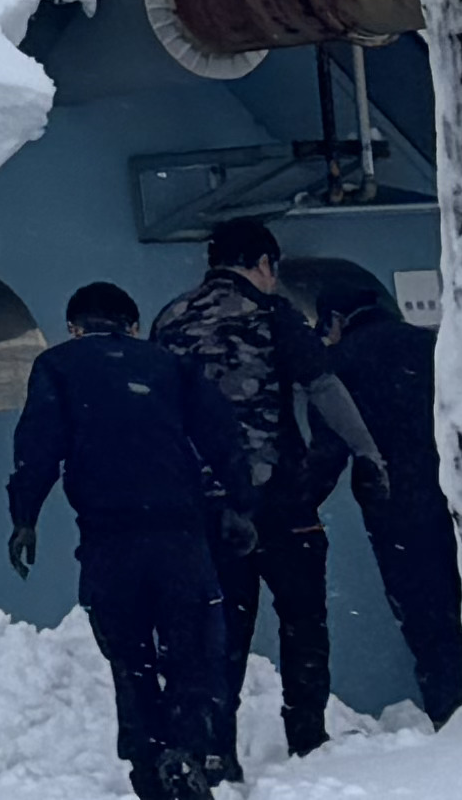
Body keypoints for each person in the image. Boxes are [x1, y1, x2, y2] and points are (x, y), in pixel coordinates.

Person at [9, 281, 259, 800]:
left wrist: (24, 517)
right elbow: (221, 434)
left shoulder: (57, 366)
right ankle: (188, 753)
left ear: (73, 328)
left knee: (131, 659)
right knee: (193, 652)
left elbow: (38, 447)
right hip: (180, 535)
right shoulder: (169, 366)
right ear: (134, 325)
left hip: (108, 540)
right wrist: (240, 503)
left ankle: (147, 765)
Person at [156, 218, 366, 760]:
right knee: (303, 621)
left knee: (221, 630)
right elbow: (322, 386)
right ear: (265, 265)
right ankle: (308, 739)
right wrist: (368, 451)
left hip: (203, 507)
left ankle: (216, 749)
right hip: (280, 499)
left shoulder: (171, 319)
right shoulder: (272, 313)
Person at [285, 254, 462, 725]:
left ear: (336, 320)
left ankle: (452, 713)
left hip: (397, 509)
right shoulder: (432, 346)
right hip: (459, 497)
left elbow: (329, 450)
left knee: (429, 621)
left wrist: (292, 507)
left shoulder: (340, 363)